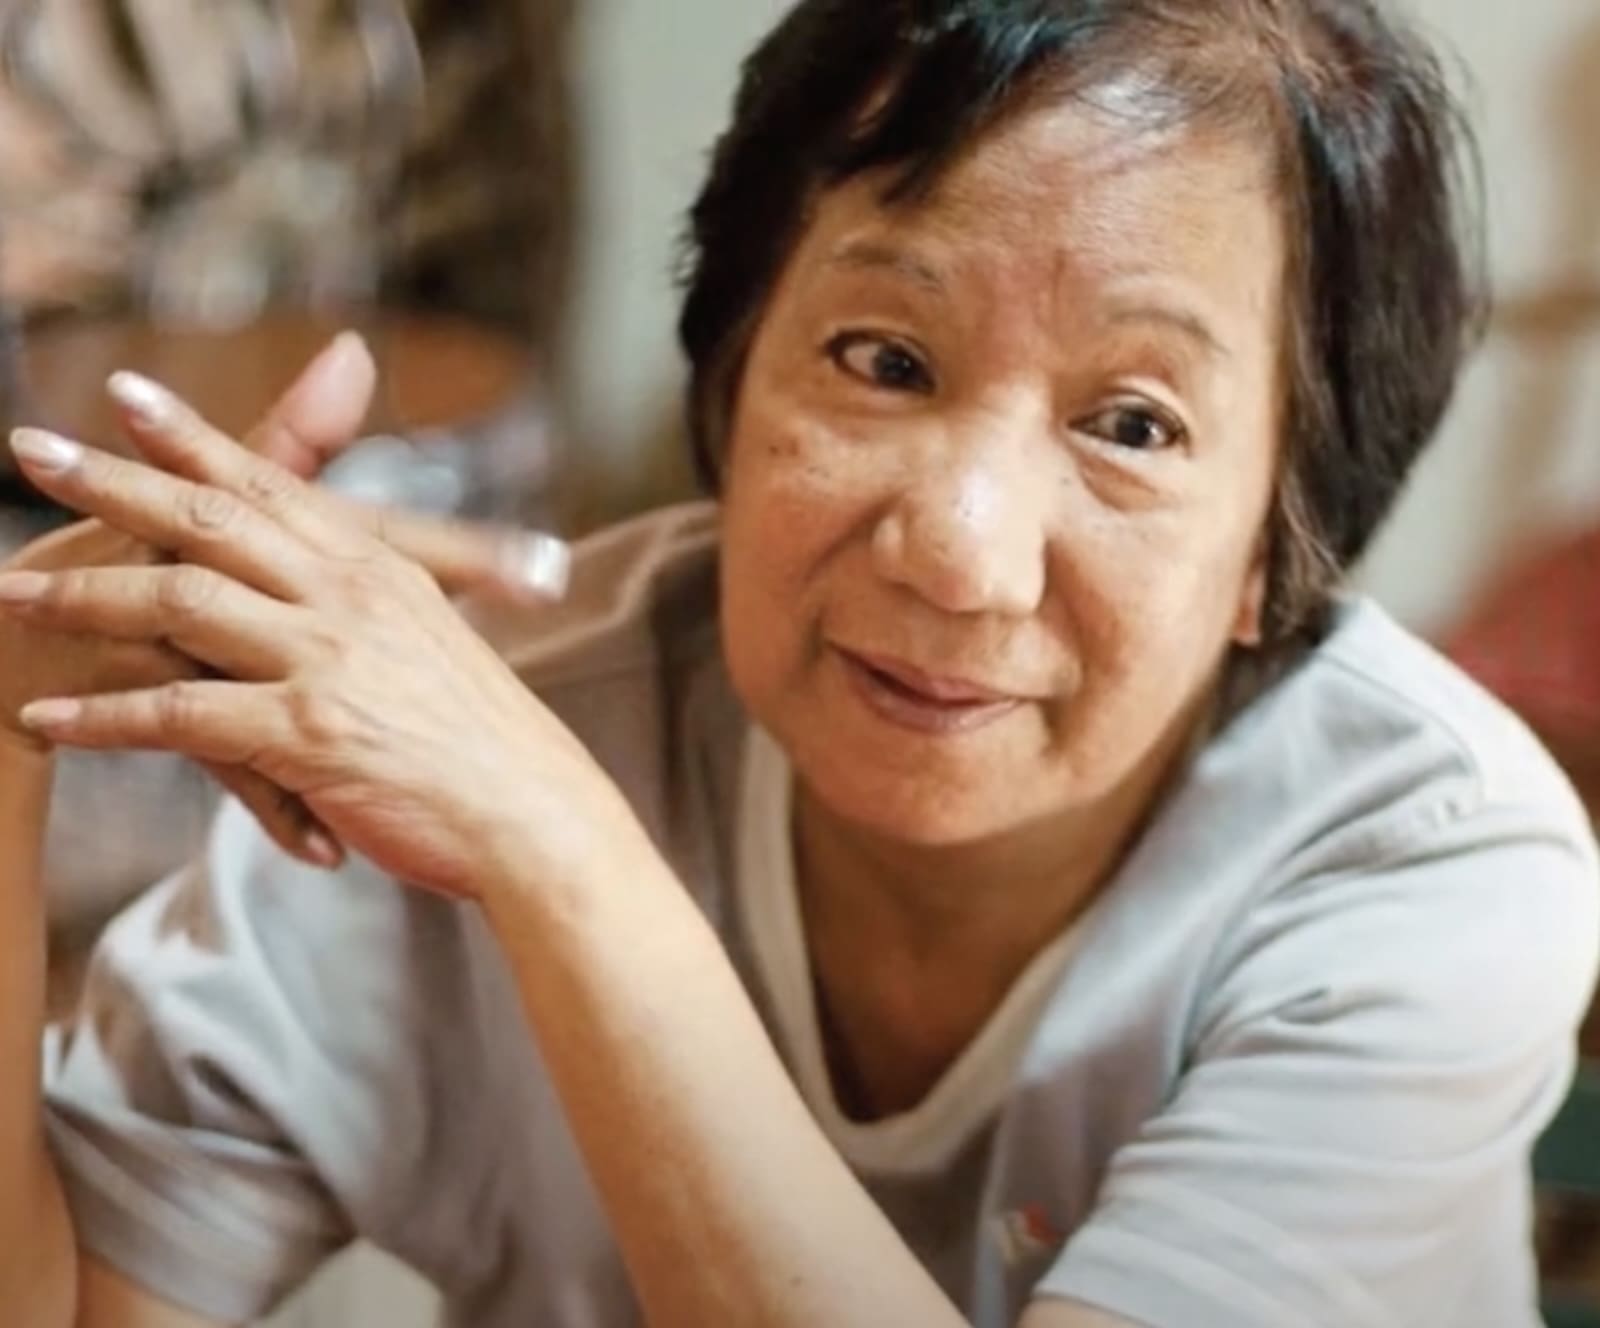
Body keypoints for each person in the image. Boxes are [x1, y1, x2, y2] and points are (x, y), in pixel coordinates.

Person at [1, 2, 1596, 1326]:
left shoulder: (1431, 865)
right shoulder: (471, 733)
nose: (959, 552)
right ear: (735, 373)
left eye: (1132, 425)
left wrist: (560, 854)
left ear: (1277, 545)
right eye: (883, 360)